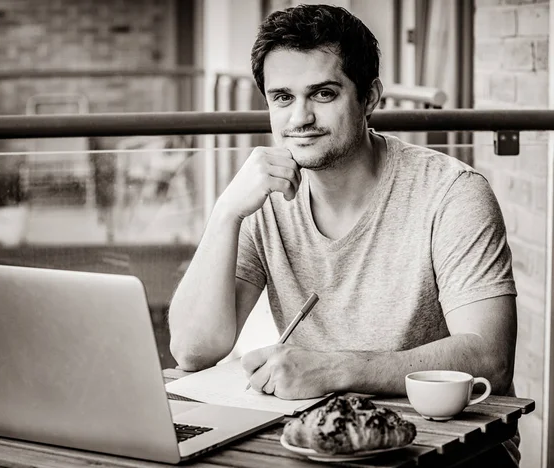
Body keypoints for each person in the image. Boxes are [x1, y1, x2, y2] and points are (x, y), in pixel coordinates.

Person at [168, 4, 519, 466]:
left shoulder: (452, 193)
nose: (300, 118)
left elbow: (489, 357)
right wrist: (226, 212)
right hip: (325, 445)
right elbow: (193, 352)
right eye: (282, 98)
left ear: (369, 97)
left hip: (451, 451)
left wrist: (335, 369)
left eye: (324, 94)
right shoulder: (264, 197)